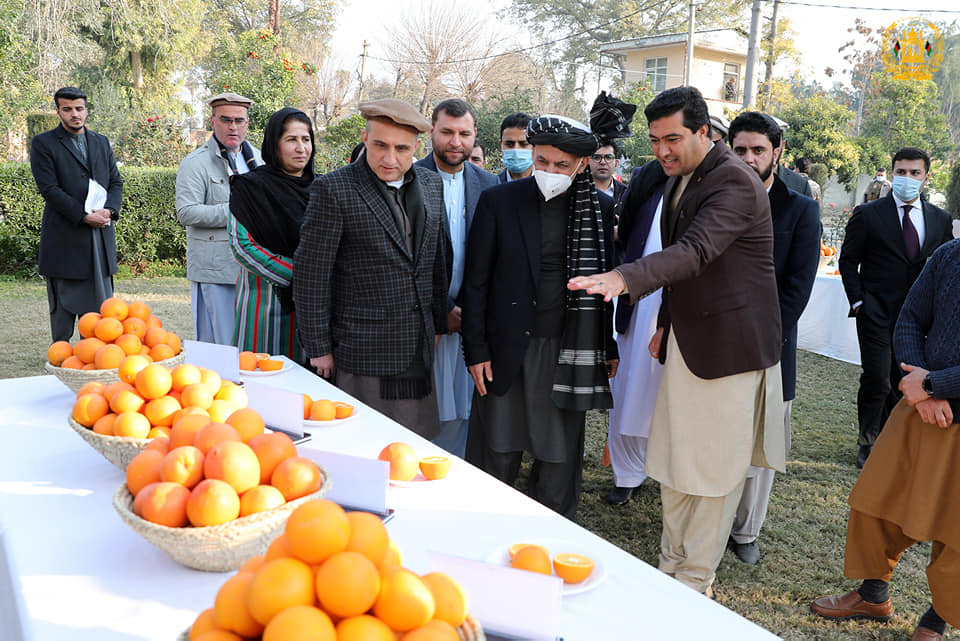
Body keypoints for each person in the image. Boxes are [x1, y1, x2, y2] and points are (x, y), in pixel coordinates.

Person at [568, 86, 785, 596]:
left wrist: (624, 278)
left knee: (710, 470)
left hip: (730, 350)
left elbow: (696, 250)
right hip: (686, 339)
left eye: (673, 138)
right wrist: (665, 321)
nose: (662, 150)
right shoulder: (680, 177)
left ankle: (694, 581)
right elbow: (686, 269)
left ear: (704, 133)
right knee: (673, 458)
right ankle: (671, 566)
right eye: (654, 140)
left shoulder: (734, 181)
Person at [461, 93, 631, 519]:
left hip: (565, 350)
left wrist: (606, 347)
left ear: (580, 165)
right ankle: (486, 524)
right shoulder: (499, 202)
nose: (549, 172)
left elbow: (602, 285)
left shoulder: (600, 207)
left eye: (561, 165)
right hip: (506, 351)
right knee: (497, 450)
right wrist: (476, 351)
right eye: (542, 161)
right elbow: (476, 283)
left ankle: (549, 530)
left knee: (556, 456)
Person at [811, 238, 960, 641]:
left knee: (956, 531)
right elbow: (910, 318)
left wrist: (933, 384)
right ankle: (873, 594)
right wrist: (922, 387)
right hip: (920, 409)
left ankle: (935, 621)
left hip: (937, 399)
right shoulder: (950, 255)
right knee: (874, 501)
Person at [293, 99, 449, 439]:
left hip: (415, 349)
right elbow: (311, 276)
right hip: (361, 350)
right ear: (365, 139)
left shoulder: (432, 185)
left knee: (410, 445)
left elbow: (437, 261)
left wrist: (436, 324)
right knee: (363, 442)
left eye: (401, 148)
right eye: (380, 145)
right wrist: (318, 348)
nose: (389, 158)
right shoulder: (334, 190)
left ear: (417, 148)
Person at [727, 112, 820, 565]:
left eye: (757, 150)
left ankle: (746, 531)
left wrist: (757, 340)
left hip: (771, 348)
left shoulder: (801, 210)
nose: (748, 158)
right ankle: (715, 521)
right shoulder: (710, 201)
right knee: (717, 439)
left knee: (762, 448)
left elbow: (797, 290)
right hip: (714, 346)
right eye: (740, 149)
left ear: (776, 152)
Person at [839, 147, 953, 468]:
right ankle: (867, 440)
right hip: (875, 312)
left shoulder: (940, 220)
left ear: (925, 178)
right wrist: (859, 301)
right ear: (892, 174)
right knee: (877, 379)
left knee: (902, 382)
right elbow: (848, 260)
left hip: (917, 320)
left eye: (914, 173)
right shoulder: (869, 214)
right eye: (901, 172)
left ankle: (890, 442)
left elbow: (945, 267)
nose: (907, 178)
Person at [415, 99, 497, 457]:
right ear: (432, 131)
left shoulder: (490, 185)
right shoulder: (410, 179)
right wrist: (441, 312)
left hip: (471, 320)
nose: (455, 141)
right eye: (447, 132)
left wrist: (468, 311)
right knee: (422, 408)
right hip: (424, 320)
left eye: (464, 134)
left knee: (464, 410)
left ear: (474, 135)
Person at [30, 86, 123, 342]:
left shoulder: (100, 141)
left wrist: (110, 210)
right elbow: (49, 189)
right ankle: (61, 360)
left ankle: (93, 360)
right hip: (65, 237)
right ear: (58, 111)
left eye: (79, 109)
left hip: (100, 235)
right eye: (67, 109)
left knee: (100, 311)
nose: (74, 114)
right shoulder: (43, 143)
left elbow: (115, 181)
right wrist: (83, 216)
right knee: (63, 309)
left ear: (86, 110)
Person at [227, 108, 315, 362]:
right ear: (274, 144)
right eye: (291, 140)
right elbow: (242, 246)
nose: (301, 148)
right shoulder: (249, 187)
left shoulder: (322, 190)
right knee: (262, 376)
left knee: (306, 389)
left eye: (306, 139)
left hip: (311, 309)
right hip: (264, 305)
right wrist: (301, 276)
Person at [604, 158, 667, 506]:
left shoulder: (714, 184)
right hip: (638, 296)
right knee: (630, 387)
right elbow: (626, 231)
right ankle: (627, 473)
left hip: (683, 305)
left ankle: (664, 469)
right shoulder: (648, 179)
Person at [176, 92, 262, 345]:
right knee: (218, 347)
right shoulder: (195, 163)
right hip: (215, 270)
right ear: (212, 122)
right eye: (226, 120)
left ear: (247, 123)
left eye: (239, 120)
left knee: (252, 348)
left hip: (256, 267)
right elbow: (186, 212)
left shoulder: (260, 158)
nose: (233, 126)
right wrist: (237, 209)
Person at [496, 112, 534, 183]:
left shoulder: (548, 187)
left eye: (524, 144)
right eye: (509, 144)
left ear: (535, 146)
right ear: (501, 145)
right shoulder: (490, 186)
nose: (516, 150)